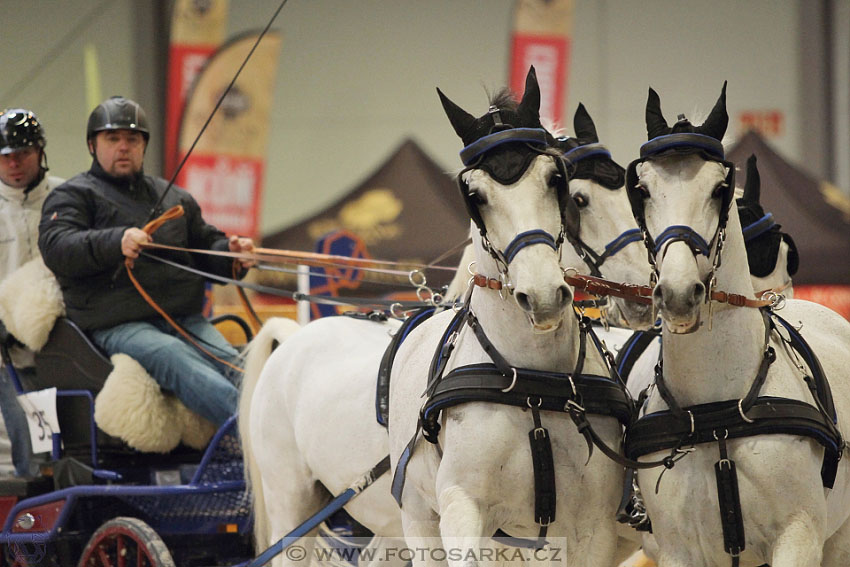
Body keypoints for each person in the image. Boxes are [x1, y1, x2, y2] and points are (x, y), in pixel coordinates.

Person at [38, 96, 255, 428]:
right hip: (118, 323)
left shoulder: (174, 197)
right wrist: (116, 241)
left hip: (182, 317)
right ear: (92, 146)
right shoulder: (72, 195)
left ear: (144, 146)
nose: (123, 147)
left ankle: (274, 433)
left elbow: (204, 247)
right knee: (178, 359)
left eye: (132, 139)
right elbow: (57, 246)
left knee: (238, 366)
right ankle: (258, 434)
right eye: (113, 139)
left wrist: (231, 254)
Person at [0, 108, 64, 477]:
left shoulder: (68, 197)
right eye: (5, 156)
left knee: (67, 444)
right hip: (9, 354)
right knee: (28, 445)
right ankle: (33, 523)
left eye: (22, 153)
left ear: (40, 152)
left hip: (62, 344)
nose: (14, 163)